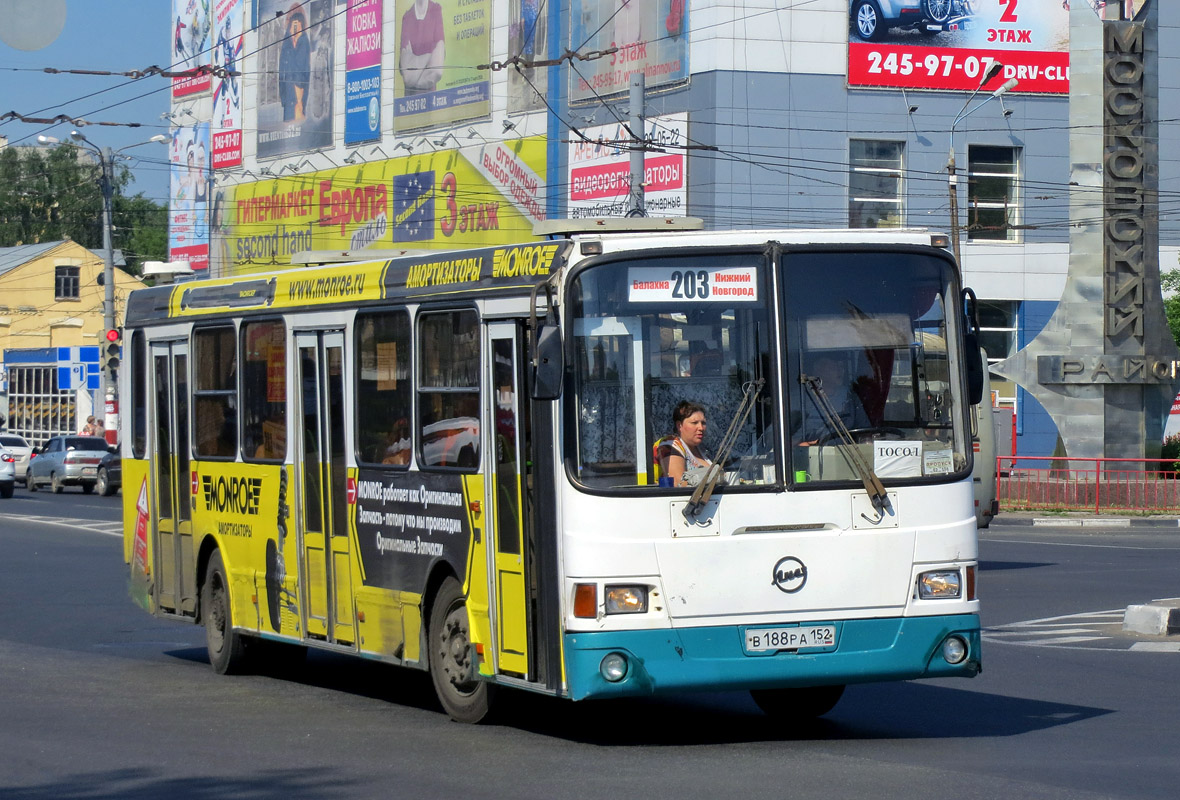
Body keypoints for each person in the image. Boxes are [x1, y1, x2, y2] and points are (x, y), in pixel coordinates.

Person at [799, 354, 870, 444]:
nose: (841, 371)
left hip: (848, 455)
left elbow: (865, 433)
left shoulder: (850, 397)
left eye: (841, 366)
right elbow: (790, 438)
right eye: (835, 366)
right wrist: (801, 445)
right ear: (818, 369)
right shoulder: (798, 399)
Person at [658, 401, 712, 487]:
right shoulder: (671, 445)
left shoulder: (703, 450)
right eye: (694, 423)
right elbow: (678, 482)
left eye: (703, 423)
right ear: (679, 425)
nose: (701, 428)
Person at [400, 0, 445, 94]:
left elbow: (437, 71)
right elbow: (408, 77)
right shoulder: (407, 18)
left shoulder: (435, 11)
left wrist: (414, 60)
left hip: (430, 99)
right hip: (408, 102)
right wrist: (429, 56)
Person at [278, 4, 311, 121]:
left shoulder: (304, 42)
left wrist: (297, 39)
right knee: (289, 121)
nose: (295, 27)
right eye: (292, 23)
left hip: (298, 94)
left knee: (298, 122)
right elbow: (282, 69)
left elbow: (301, 67)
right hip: (288, 95)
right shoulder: (287, 42)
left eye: (297, 23)